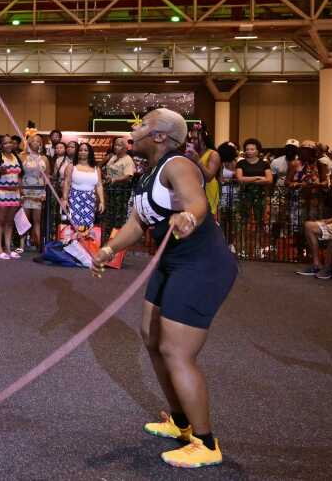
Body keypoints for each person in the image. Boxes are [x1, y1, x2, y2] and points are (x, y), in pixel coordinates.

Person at [91, 108, 238, 469]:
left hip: (202, 265)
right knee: (152, 337)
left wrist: (189, 216)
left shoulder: (178, 164)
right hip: (171, 262)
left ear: (159, 136)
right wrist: (108, 250)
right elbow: (136, 223)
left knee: (176, 351)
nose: (134, 129)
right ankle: (181, 422)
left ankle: (206, 443)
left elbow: (196, 202)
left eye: (142, 124)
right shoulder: (148, 175)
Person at [0, 135, 23, 260]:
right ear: (1, 145)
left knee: (9, 222)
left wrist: (21, 192)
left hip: (14, 193)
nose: (9, 145)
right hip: (0, 193)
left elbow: (19, 176)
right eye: (5, 143)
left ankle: (8, 249)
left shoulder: (15, 157)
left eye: (10, 142)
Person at [18, 133, 50, 253]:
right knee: (24, 219)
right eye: (33, 141)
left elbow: (47, 176)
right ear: (29, 143)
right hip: (25, 189)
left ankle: (38, 245)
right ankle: (21, 245)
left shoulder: (44, 159)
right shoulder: (22, 157)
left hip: (39, 191)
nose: (36, 143)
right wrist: (20, 190)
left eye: (38, 141)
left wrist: (45, 192)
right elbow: (19, 176)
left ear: (41, 144)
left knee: (37, 220)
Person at [63, 141, 104, 231]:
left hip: (90, 199)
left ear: (90, 152)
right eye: (80, 150)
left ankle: (86, 240)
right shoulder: (71, 166)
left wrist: (102, 201)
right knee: (75, 225)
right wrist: (65, 199)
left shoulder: (96, 168)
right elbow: (67, 183)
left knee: (88, 226)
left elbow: (99, 185)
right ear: (77, 152)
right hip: (74, 198)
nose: (83, 152)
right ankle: (74, 240)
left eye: (85, 150)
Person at [185, 122, 221, 217]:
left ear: (204, 139)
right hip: (194, 189)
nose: (192, 141)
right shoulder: (193, 153)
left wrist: (198, 161)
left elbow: (209, 177)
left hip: (208, 189)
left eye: (195, 138)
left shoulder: (213, 154)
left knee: (207, 217)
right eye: (191, 139)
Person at [103, 136, 136, 237]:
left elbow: (128, 176)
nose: (115, 147)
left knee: (119, 216)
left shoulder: (128, 160)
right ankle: (108, 236)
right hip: (110, 190)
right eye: (115, 144)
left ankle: (117, 238)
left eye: (119, 145)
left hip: (121, 191)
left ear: (125, 148)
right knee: (109, 215)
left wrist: (115, 180)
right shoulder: (113, 157)